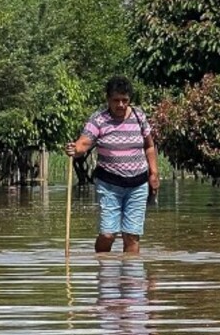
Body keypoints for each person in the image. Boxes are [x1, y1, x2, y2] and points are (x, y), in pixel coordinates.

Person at [66, 76, 161, 256]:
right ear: (108, 99)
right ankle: (104, 269)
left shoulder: (139, 116)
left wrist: (154, 173)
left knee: (131, 235)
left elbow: (149, 146)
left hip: (138, 184)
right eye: (116, 100)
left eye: (125, 100)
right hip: (109, 185)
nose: (120, 105)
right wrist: (74, 148)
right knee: (108, 234)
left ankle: (131, 279)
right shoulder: (99, 119)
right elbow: (84, 144)